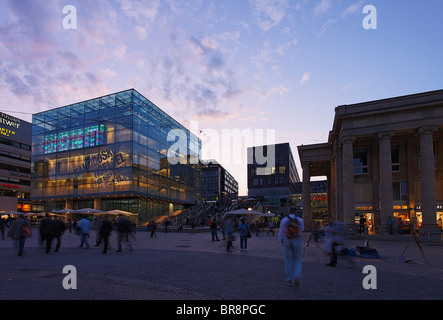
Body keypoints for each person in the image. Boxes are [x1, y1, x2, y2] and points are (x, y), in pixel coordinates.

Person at [278, 206, 304, 287]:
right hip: (297, 239)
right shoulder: (299, 220)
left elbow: (281, 231)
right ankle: (297, 276)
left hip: (287, 239)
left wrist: (281, 240)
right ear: (296, 212)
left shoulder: (284, 220)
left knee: (288, 260)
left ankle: (289, 280)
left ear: (288, 212)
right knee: (298, 259)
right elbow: (302, 229)